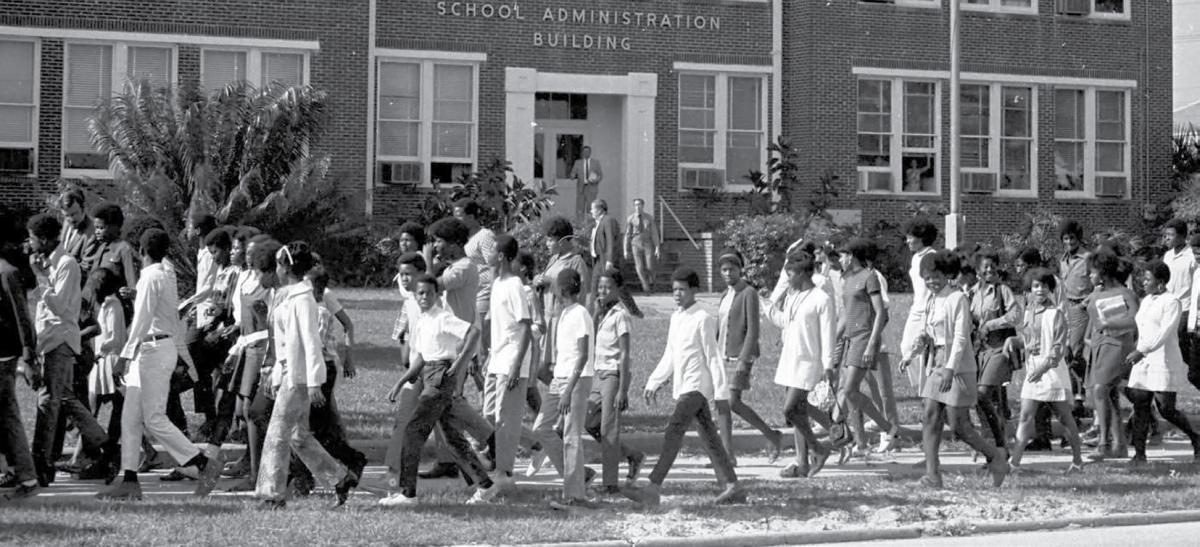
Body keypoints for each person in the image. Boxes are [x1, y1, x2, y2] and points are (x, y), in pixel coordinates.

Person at [97, 229, 222, 500]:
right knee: (131, 417)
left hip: (152, 350)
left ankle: (202, 464)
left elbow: (142, 319)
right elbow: (160, 314)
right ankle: (129, 480)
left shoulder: (153, 275)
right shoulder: (165, 273)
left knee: (153, 418)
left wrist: (124, 357)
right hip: (151, 348)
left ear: (141, 251)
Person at [623, 268, 743, 507]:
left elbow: (713, 356)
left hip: (697, 386)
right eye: (674, 290)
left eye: (682, 290)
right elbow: (671, 353)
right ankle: (732, 485)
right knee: (709, 434)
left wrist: (720, 392)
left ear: (694, 291)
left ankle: (653, 487)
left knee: (674, 430)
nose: (677, 294)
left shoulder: (703, 318)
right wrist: (654, 381)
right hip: (683, 384)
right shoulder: (676, 317)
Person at [255, 241, 355, 509]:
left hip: (299, 378)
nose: (275, 269)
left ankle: (272, 496)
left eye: (277, 264)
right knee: (298, 436)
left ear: (286, 267)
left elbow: (312, 342)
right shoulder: (290, 294)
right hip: (290, 373)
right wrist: (277, 372)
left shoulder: (303, 298)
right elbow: (284, 341)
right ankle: (339, 478)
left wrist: (313, 382)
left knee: (277, 434)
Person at [388, 273, 498, 506]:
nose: (424, 297)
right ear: (415, 296)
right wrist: (401, 382)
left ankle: (408, 494)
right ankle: (485, 486)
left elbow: (473, 332)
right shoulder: (422, 321)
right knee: (451, 438)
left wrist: (460, 362)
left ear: (437, 294)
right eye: (420, 293)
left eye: (429, 292)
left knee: (413, 431)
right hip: (429, 373)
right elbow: (420, 358)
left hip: (441, 377)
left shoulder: (442, 318)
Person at [26, 213, 113, 487]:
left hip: (60, 340)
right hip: (48, 340)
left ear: (43, 238)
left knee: (50, 401)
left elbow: (62, 309)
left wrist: (41, 278)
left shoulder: (66, 264)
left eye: (32, 238)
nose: (29, 243)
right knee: (61, 398)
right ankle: (105, 447)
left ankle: (41, 464)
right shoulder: (49, 264)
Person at [915, 251, 1010, 489]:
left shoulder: (957, 298)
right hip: (936, 362)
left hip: (958, 365)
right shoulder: (931, 300)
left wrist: (950, 368)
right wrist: (921, 341)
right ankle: (932, 475)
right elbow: (933, 331)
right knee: (930, 416)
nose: (932, 281)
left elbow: (960, 337)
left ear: (948, 275)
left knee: (958, 425)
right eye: (927, 277)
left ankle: (995, 456)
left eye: (936, 276)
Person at [418, 217, 495, 481]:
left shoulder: (463, 268)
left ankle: (489, 437)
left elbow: (430, 287)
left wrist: (427, 261)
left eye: (439, 241)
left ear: (453, 244)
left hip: (459, 346)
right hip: (449, 344)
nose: (436, 246)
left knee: (451, 401)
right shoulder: (455, 266)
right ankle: (451, 460)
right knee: (445, 405)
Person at [764, 251, 835, 478]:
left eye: (791, 273)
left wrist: (828, 365)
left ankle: (819, 448)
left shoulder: (821, 299)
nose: (788, 278)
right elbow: (784, 321)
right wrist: (768, 304)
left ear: (805, 273)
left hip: (809, 361)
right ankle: (802, 462)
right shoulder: (793, 297)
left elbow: (828, 334)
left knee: (790, 409)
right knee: (799, 412)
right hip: (790, 360)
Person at [530, 269, 596, 508]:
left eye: (555, 287)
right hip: (560, 378)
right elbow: (542, 323)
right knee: (542, 428)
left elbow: (583, 355)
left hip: (576, 380)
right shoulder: (564, 312)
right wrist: (537, 298)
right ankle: (578, 476)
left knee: (571, 436)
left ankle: (575, 495)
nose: (552, 291)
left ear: (564, 289)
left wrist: (568, 390)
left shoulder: (580, 314)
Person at [1007, 269, 1084, 472]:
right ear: (1029, 290)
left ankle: (1077, 461)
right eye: (1035, 286)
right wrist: (1013, 341)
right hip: (1034, 369)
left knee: (1064, 417)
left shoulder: (1055, 314)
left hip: (1051, 371)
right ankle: (1014, 463)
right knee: (1025, 416)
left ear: (1050, 288)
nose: (1040, 290)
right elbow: (1028, 340)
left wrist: (1043, 368)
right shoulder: (1028, 313)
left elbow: (1058, 348)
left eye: (1043, 286)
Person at [1125, 261, 1200, 465]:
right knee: (1141, 405)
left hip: (1162, 360)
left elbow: (1164, 333)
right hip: (1143, 360)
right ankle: (1139, 454)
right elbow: (1143, 327)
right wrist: (1137, 348)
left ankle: (1196, 438)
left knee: (1166, 409)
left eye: (1148, 279)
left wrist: (1142, 350)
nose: (1144, 282)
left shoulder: (1172, 302)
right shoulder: (1147, 300)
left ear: (1160, 282)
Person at [832, 239, 902, 456]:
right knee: (849, 392)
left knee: (850, 389)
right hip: (850, 338)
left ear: (851, 255)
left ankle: (888, 428)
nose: (839, 260)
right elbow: (846, 312)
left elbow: (881, 312)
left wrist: (873, 343)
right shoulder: (847, 280)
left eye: (842, 255)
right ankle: (862, 443)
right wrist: (834, 338)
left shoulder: (869, 277)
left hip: (864, 337)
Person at [714, 248, 783, 465]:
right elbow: (720, 327)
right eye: (724, 270)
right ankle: (727, 454)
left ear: (740, 270)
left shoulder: (748, 293)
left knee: (732, 401)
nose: (727, 273)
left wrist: (744, 361)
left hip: (740, 356)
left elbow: (753, 330)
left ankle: (771, 435)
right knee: (722, 404)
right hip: (722, 355)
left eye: (731, 269)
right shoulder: (725, 295)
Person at [585, 268, 645, 493]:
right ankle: (632, 455)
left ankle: (610, 484)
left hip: (612, 375)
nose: (603, 291)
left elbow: (625, 353)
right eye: (600, 287)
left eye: (608, 287)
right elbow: (588, 337)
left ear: (618, 290)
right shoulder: (601, 312)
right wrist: (595, 313)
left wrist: (623, 389)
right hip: (597, 374)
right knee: (587, 421)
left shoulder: (621, 315)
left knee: (608, 428)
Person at [483, 235, 533, 493]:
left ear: (501, 256)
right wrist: (489, 356)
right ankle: (534, 445)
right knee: (489, 415)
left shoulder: (514, 285)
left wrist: (516, 365)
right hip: (496, 360)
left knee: (506, 419)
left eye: (492, 250)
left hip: (512, 362)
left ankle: (504, 472)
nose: (488, 253)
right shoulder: (497, 283)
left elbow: (525, 327)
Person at [1084, 252, 1139, 461]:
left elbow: (1135, 320)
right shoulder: (1096, 293)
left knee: (1101, 390)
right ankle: (1119, 445)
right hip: (1099, 345)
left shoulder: (1124, 293)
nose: (1090, 276)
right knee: (1110, 394)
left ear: (1104, 273)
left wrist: (1110, 324)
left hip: (1118, 345)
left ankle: (1103, 443)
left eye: (1093, 272)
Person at [0, 210, 39, 499]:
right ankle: (18, 474)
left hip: (3, 356)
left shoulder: (6, 272)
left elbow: (22, 317)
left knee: (9, 416)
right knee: (7, 415)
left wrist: (28, 355)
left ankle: (25, 477)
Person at [969, 251, 1021, 452]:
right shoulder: (972, 294)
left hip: (999, 349)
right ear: (978, 271)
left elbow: (1016, 315)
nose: (989, 270)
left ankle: (999, 443)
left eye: (992, 266)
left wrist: (992, 324)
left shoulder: (1002, 291)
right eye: (985, 267)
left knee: (983, 394)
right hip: (979, 351)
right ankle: (992, 442)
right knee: (980, 399)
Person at [1059, 220, 1093, 419]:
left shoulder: (1087, 258)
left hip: (1081, 307)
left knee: (1076, 350)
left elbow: (1097, 282)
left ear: (1078, 238)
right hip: (1065, 307)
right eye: (1065, 238)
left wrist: (1084, 303)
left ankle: (1079, 397)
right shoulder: (1063, 259)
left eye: (1072, 238)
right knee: (1066, 352)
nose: (1069, 242)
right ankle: (1074, 392)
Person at [86, 268, 125, 440]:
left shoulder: (113, 305)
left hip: (109, 362)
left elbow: (115, 338)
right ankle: (78, 456)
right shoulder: (104, 305)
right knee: (91, 411)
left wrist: (98, 352)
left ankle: (79, 457)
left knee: (91, 412)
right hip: (101, 362)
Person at [1160, 219, 1195, 368]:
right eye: (1165, 235)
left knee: (1180, 340)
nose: (1166, 238)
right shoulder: (1167, 256)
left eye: (1170, 235)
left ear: (1182, 236)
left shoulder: (1193, 256)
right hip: (1168, 305)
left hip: (1185, 308)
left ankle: (1194, 370)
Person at [624, 198, 660, 293]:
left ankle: (652, 281)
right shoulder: (631, 218)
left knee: (650, 266)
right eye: (636, 205)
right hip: (636, 243)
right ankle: (645, 287)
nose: (637, 207)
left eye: (639, 204)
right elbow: (627, 235)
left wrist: (657, 247)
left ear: (643, 206)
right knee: (639, 267)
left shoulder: (649, 218)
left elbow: (654, 233)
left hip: (647, 242)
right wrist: (625, 250)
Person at [57, 189, 94, 268]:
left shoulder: (92, 232)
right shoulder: (67, 222)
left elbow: (87, 266)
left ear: (84, 209)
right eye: (67, 215)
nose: (71, 219)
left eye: (74, 214)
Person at [569, 145, 603, 221]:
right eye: (584, 151)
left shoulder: (595, 163)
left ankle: (590, 227)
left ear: (590, 152)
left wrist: (595, 180)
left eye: (587, 151)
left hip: (591, 188)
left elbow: (600, 175)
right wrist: (573, 175)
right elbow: (572, 175)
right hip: (581, 188)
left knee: (591, 209)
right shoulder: (578, 162)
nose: (586, 153)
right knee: (580, 209)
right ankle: (580, 228)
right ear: (582, 153)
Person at [590, 199, 621, 274]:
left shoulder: (608, 220)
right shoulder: (598, 222)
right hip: (598, 259)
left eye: (592, 209)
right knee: (595, 283)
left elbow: (610, 241)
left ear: (600, 210)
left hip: (604, 259)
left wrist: (609, 260)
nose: (591, 211)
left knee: (605, 282)